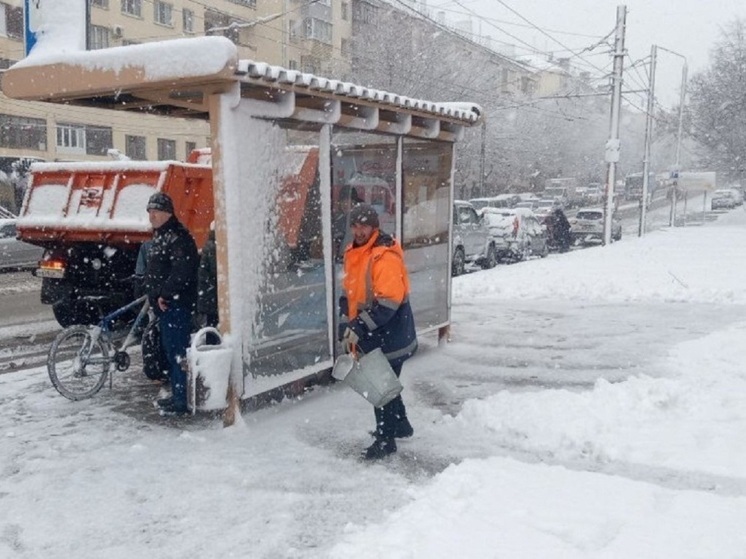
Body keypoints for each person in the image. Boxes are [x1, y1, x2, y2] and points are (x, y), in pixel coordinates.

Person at [339, 203, 418, 459]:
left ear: (374, 227)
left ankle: (386, 440)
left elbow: (388, 303)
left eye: (364, 226)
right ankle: (401, 426)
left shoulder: (384, 256)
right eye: (355, 225)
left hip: (390, 335)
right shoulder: (355, 252)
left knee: (379, 389)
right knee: (386, 383)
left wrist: (360, 325)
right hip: (375, 334)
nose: (359, 231)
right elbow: (349, 295)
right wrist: (347, 324)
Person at [142, 192, 199, 415]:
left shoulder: (178, 237)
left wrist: (164, 294)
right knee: (170, 350)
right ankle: (177, 395)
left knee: (178, 353)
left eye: (155, 212)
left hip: (176, 304)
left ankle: (181, 400)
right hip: (166, 305)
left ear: (168, 213)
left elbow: (182, 272)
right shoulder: (162, 235)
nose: (151, 216)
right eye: (149, 212)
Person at [332, 185, 363, 262]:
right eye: (342, 201)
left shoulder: (360, 220)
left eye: (347, 200)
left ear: (354, 202)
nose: (344, 204)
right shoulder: (339, 220)